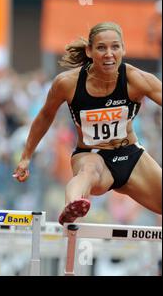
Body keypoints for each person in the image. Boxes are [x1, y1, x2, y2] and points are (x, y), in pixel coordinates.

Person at [13, 22, 162, 225]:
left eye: (115, 47)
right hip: (92, 155)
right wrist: (26, 156)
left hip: (131, 156)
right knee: (88, 172)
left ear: (123, 49)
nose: (109, 54)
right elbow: (45, 116)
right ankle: (72, 207)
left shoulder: (137, 79)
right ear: (89, 51)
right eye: (101, 48)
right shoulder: (67, 83)